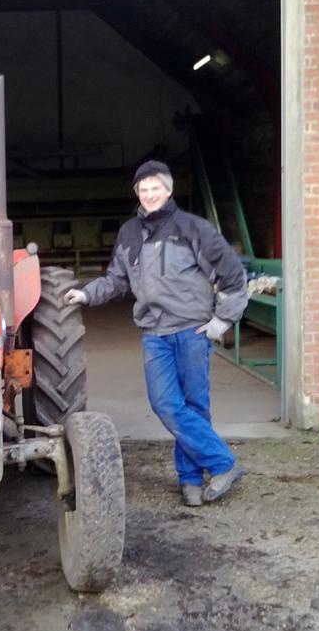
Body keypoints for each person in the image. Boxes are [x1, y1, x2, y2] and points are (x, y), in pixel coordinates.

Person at [64, 160, 249, 507]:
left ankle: (191, 480)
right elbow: (117, 279)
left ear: (168, 190)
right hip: (154, 332)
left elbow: (232, 274)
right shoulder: (129, 233)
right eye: (143, 189)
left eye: (156, 188)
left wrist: (223, 320)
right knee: (165, 403)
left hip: (192, 330)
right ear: (137, 193)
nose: (150, 195)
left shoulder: (194, 228)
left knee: (195, 405)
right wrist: (88, 293)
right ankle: (224, 462)